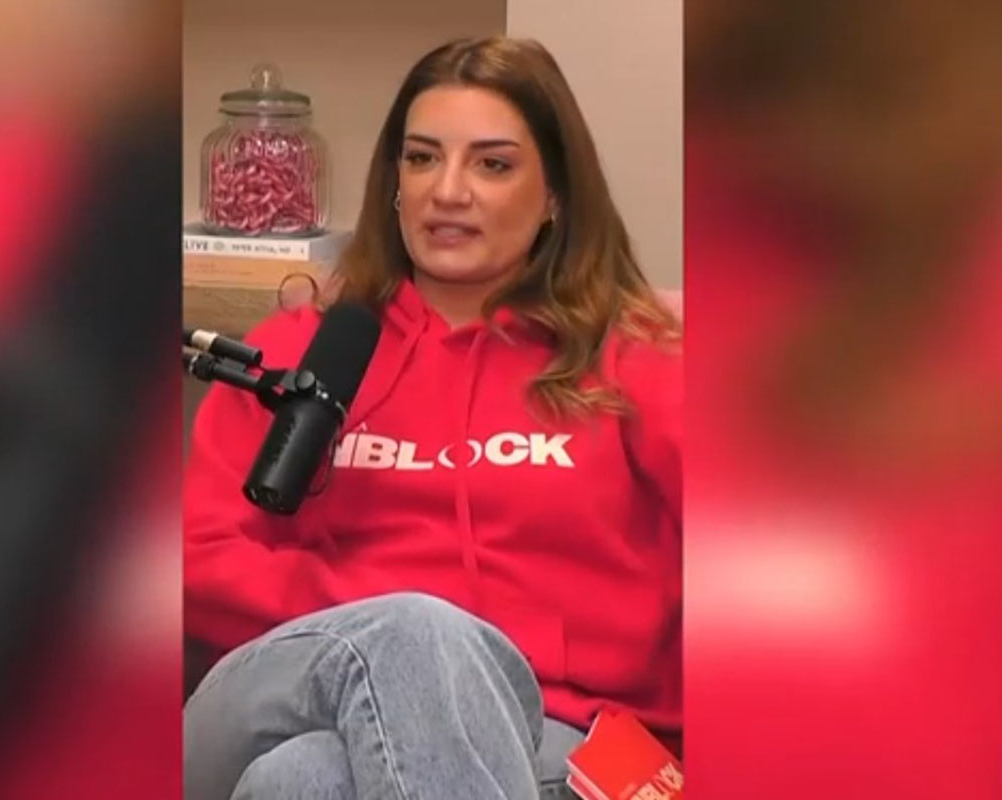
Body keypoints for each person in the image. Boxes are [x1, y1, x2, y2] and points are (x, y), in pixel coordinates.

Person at [183, 36, 681, 800]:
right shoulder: (301, 348)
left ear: (555, 194)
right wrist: (400, 615)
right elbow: (197, 558)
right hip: (274, 693)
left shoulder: (634, 359)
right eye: (421, 159)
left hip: (558, 732)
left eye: (492, 165)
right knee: (415, 634)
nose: (447, 191)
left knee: (305, 781)